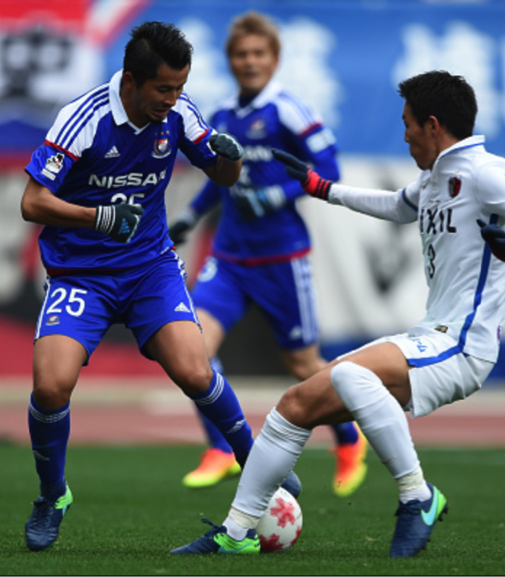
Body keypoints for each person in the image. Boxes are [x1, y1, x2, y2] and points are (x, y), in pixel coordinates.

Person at [170, 70, 505, 557]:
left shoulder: (487, 172)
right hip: (432, 335)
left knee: (352, 377)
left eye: (407, 124)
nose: (403, 136)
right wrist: (322, 188)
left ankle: (416, 494)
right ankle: (235, 534)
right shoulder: (435, 178)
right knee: (294, 407)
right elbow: (398, 206)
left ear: (432, 124)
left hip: (463, 345)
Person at [18, 20, 299, 553]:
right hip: (82, 274)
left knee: (195, 369)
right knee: (50, 387)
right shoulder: (83, 119)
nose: (172, 100)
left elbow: (223, 177)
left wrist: (230, 155)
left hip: (149, 267)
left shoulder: (180, 113)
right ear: (131, 81)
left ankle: (253, 457)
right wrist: (97, 217)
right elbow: (32, 202)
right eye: (163, 90)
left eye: (179, 88)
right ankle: (53, 494)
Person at [167, 11, 367, 497]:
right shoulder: (220, 116)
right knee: (193, 351)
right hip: (230, 259)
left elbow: (329, 165)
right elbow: (219, 179)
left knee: (304, 366)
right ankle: (220, 447)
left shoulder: (288, 110)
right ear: (230, 60)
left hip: (282, 258)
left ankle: (348, 436)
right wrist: (190, 219)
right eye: (241, 54)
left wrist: (276, 195)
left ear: (274, 59)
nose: (250, 62)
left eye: (259, 54)